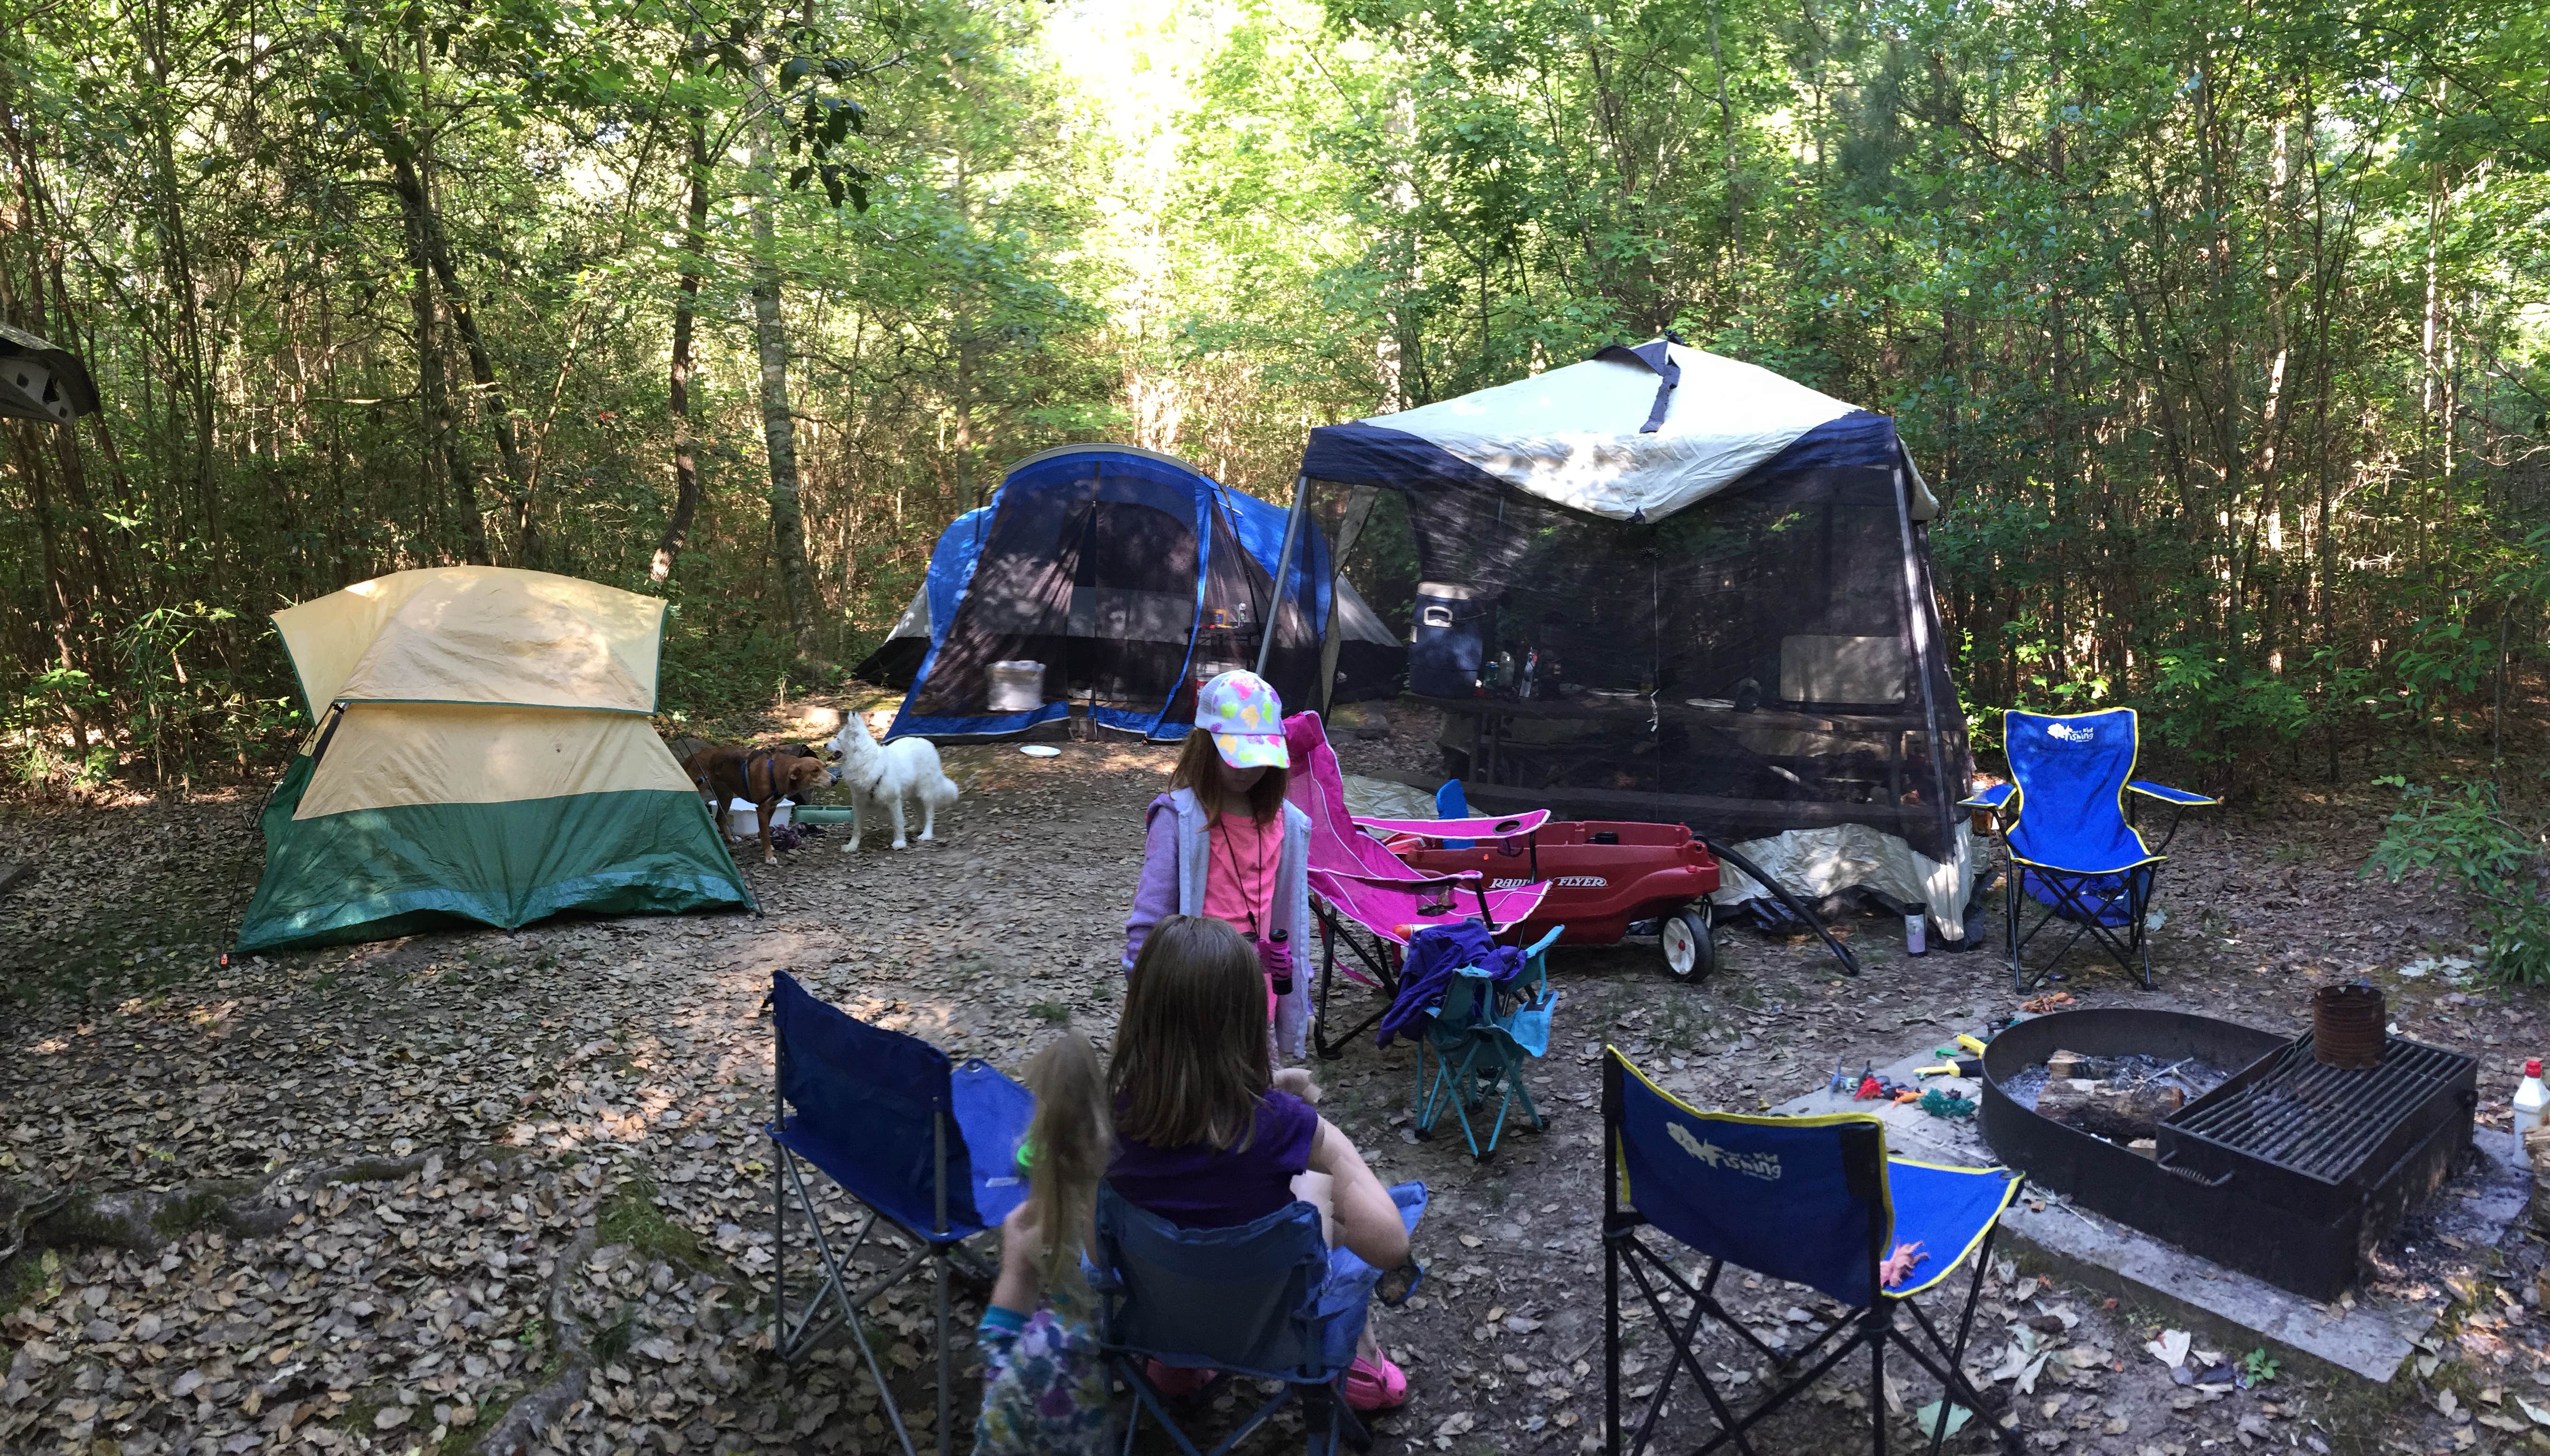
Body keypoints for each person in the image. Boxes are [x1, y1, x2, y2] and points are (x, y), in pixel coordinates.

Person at [1108, 914, 1413, 1410]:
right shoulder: (1283, 1128)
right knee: (1320, 1194)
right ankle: (1361, 1358)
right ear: (1248, 1021)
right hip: (1274, 1328)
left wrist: (1264, 1091)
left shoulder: (1109, 1121)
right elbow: (1390, 1245)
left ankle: (1176, 1364)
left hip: (1162, 1320)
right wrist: (1323, 1136)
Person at [1123, 668, 1313, 1060]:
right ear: (1205, 746)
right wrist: (1143, 993)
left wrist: (1300, 993)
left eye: (1258, 758)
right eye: (1236, 756)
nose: (1248, 770)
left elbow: (1292, 923)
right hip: (1192, 1004)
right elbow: (1149, 920)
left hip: (1256, 1005)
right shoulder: (1177, 820)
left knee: (1254, 1094)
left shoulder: (1287, 824)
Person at [974, 1031, 1113, 1456]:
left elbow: (997, 1413)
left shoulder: (1048, 1345)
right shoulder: (1138, 1224)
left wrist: (1015, 1269)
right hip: (1137, 1334)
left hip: (1051, 1377)